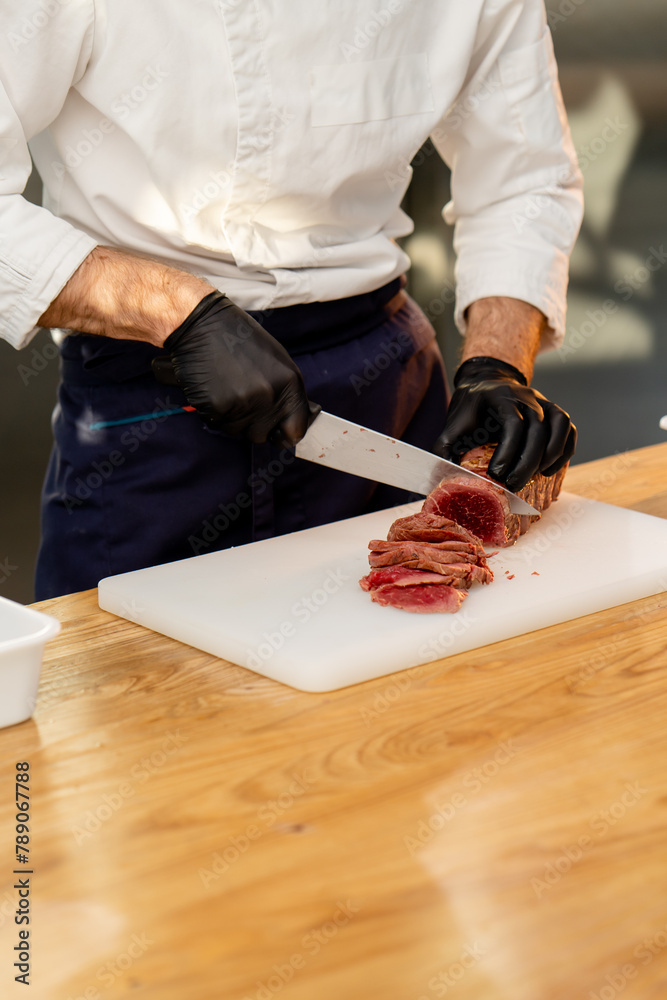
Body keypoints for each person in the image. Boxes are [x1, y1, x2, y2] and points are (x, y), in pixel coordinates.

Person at [0, 0, 582, 600]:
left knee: (414, 667)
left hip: (386, 380)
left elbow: (524, 179)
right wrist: (173, 309)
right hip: (161, 390)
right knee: (136, 679)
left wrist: (497, 362)